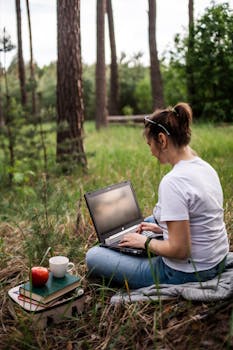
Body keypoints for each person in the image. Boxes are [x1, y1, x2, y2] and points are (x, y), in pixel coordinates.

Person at [86, 102, 229, 289]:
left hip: (187, 272)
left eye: (150, 144)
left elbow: (180, 251)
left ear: (162, 140)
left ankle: (128, 246)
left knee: (93, 256)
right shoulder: (204, 167)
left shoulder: (173, 182)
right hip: (216, 260)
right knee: (148, 221)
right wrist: (162, 231)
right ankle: (130, 241)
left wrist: (145, 242)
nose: (151, 152)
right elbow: (198, 218)